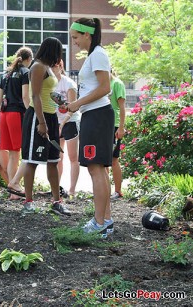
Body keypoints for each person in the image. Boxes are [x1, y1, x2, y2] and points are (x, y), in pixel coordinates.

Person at [68, 18, 114, 236]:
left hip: (97, 117)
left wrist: (77, 103)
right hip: (94, 116)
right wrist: (74, 104)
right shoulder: (94, 55)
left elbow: (105, 87)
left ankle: (99, 223)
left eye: (76, 37)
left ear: (87, 34)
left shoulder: (98, 55)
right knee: (100, 169)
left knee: (96, 168)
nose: (74, 42)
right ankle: (105, 221)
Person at [21, 37, 70, 216]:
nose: (59, 57)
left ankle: (57, 202)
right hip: (37, 118)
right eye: (58, 52)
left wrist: (62, 101)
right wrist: (41, 123)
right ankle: (28, 202)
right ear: (52, 51)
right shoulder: (38, 67)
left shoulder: (47, 67)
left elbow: (48, 93)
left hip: (50, 117)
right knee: (32, 161)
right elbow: (35, 96)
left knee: (53, 161)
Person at [0, 47, 32, 200]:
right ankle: (15, 186)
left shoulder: (6, 74)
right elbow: (25, 97)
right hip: (17, 114)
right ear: (29, 59)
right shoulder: (25, 73)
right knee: (20, 153)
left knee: (12, 154)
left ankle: (13, 192)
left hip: (4, 115)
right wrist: (32, 114)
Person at [53, 60, 80, 198]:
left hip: (70, 122)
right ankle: (56, 189)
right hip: (55, 122)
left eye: (53, 65)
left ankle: (72, 190)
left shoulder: (69, 83)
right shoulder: (49, 83)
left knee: (73, 157)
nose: (51, 69)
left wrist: (63, 123)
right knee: (57, 158)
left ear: (60, 66)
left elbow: (73, 107)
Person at [109, 73, 126, 200]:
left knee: (114, 159)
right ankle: (105, 190)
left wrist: (121, 127)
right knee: (102, 161)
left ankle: (118, 191)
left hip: (114, 126)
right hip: (103, 126)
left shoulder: (117, 84)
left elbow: (122, 107)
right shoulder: (101, 84)